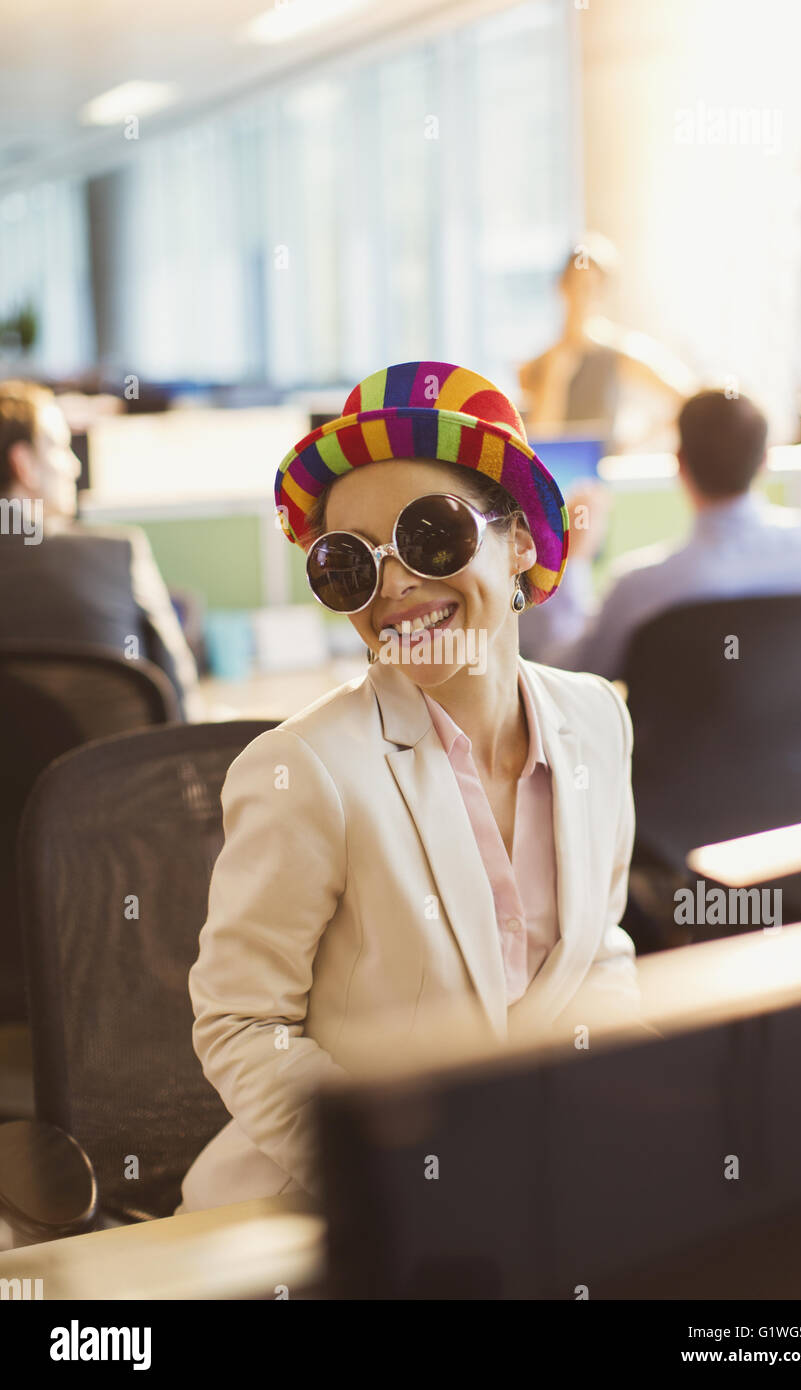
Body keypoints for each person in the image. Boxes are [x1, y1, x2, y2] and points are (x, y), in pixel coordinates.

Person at [178, 360, 639, 1213]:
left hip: (532, 1189)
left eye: (432, 535)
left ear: (522, 543)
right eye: (349, 563)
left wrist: (629, 1109)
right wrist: (401, 1182)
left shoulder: (598, 724)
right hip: (336, 1214)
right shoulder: (307, 773)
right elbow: (242, 1024)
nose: (391, 586)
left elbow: (597, 949)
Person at [519, 389, 801, 677]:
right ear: (764, 460)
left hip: (671, 763)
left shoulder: (640, 591)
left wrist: (573, 558)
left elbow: (565, 674)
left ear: (680, 464)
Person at [0, 380, 202, 719]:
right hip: (110, 771)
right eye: (60, 447)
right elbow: (181, 703)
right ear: (24, 464)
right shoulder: (118, 554)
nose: (74, 466)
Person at [518, 234, 693, 451]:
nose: (582, 297)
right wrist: (554, 381)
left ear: (603, 291)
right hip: (557, 478)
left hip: (603, 476)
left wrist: (635, 442)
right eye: (576, 285)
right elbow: (539, 444)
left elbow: (688, 400)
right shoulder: (536, 365)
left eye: (591, 287)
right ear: (561, 286)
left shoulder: (621, 353)